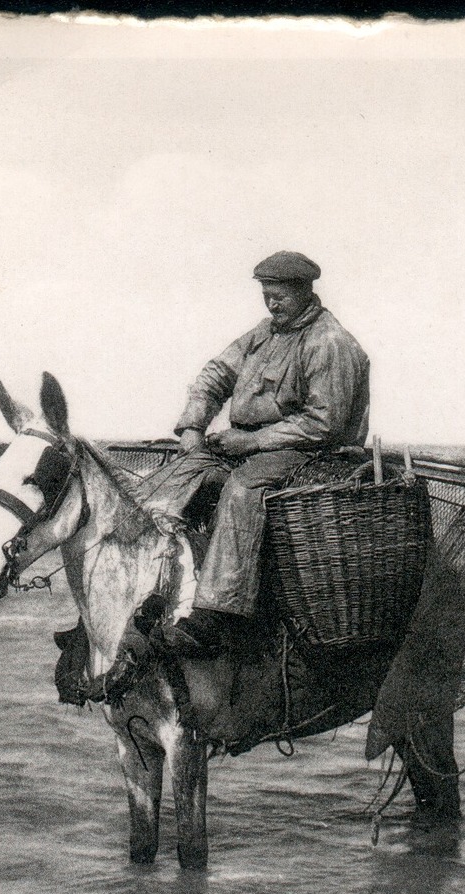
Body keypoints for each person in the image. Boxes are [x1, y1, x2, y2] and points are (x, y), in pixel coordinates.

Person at [157, 250, 371, 656]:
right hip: (249, 443)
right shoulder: (264, 332)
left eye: (280, 297)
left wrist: (253, 441)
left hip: (312, 454)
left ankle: (213, 618)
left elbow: (324, 424)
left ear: (306, 292)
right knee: (175, 478)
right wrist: (192, 427)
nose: (272, 304)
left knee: (242, 491)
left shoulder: (329, 342)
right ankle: (157, 593)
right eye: (266, 295)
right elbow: (216, 374)